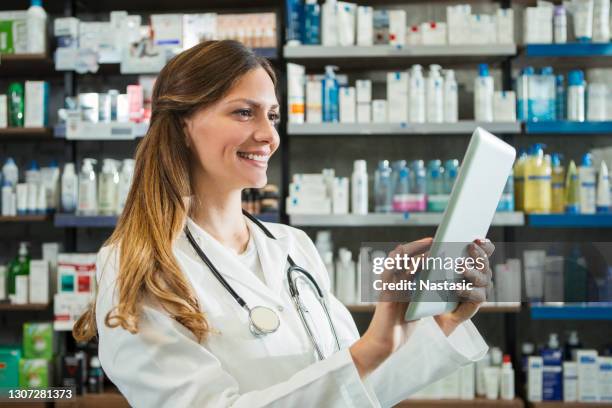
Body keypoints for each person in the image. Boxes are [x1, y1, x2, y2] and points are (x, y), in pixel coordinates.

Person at [73, 40, 494, 408]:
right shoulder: (138, 264)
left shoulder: (293, 245)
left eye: (272, 116)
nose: (268, 136)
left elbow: (358, 391)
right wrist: (370, 349)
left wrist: (441, 321)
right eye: (244, 113)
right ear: (183, 126)